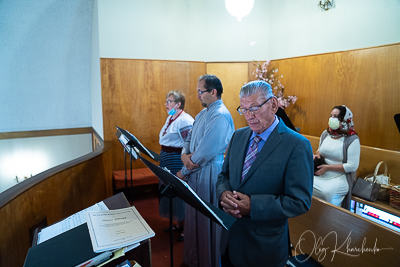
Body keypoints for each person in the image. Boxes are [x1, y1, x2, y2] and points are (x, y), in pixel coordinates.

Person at [216, 80, 313, 267]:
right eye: (243, 109)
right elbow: (224, 175)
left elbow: (299, 201)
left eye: (254, 108)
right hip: (231, 238)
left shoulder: (297, 145)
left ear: (274, 105)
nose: (248, 116)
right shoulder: (238, 136)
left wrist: (253, 206)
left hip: (265, 246)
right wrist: (224, 193)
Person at [176, 74, 234, 267]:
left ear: (213, 92)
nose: (198, 96)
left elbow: (204, 152)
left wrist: (184, 171)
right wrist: (184, 155)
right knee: (194, 218)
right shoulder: (203, 113)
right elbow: (188, 138)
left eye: (201, 92)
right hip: (194, 171)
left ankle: (208, 261)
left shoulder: (220, 115)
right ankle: (195, 259)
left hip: (209, 173)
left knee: (206, 221)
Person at [158, 90, 194, 241]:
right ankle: (178, 223)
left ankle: (187, 228)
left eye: (169, 101)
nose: (166, 104)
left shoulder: (185, 120)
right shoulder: (171, 117)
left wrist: (183, 168)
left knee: (180, 193)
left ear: (178, 104)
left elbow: (189, 145)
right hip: (167, 158)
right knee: (170, 192)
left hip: (176, 159)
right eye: (166, 101)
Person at [313, 105, 360, 209]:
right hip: (322, 173)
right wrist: (317, 156)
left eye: (336, 116)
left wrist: (328, 167)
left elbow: (352, 166)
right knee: (305, 184)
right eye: (331, 116)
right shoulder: (326, 134)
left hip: (340, 176)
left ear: (344, 120)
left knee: (325, 193)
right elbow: (320, 151)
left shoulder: (352, 139)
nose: (332, 119)